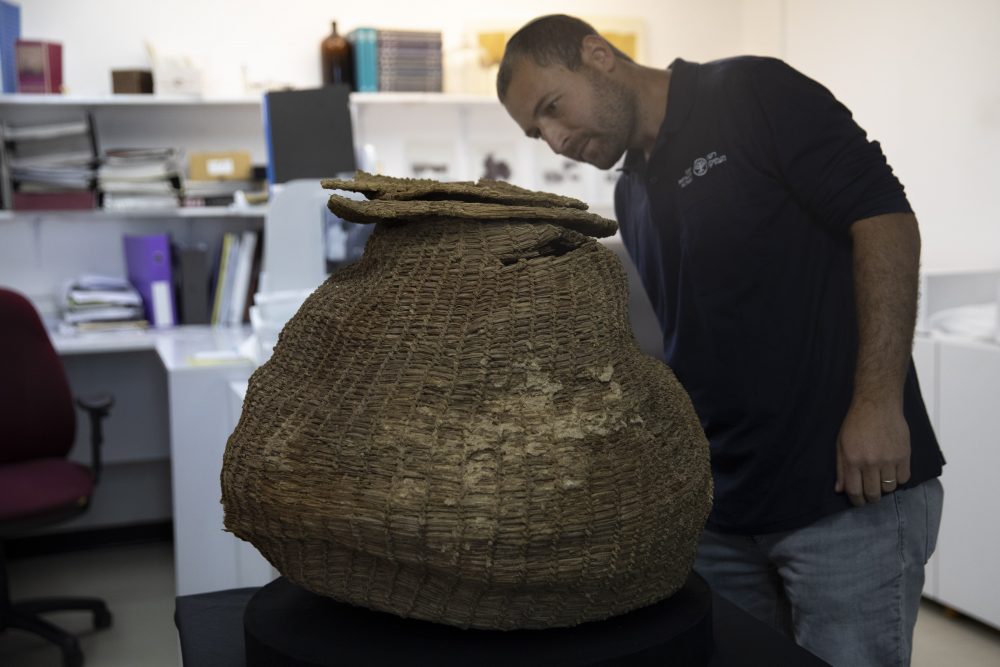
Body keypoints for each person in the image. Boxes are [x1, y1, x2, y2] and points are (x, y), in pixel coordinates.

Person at [497, 14, 945, 667]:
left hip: (847, 494)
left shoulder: (752, 92)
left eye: (553, 108)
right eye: (538, 132)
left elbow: (884, 220)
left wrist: (878, 403)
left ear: (599, 56)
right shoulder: (631, 194)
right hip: (726, 512)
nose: (557, 140)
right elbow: (689, 341)